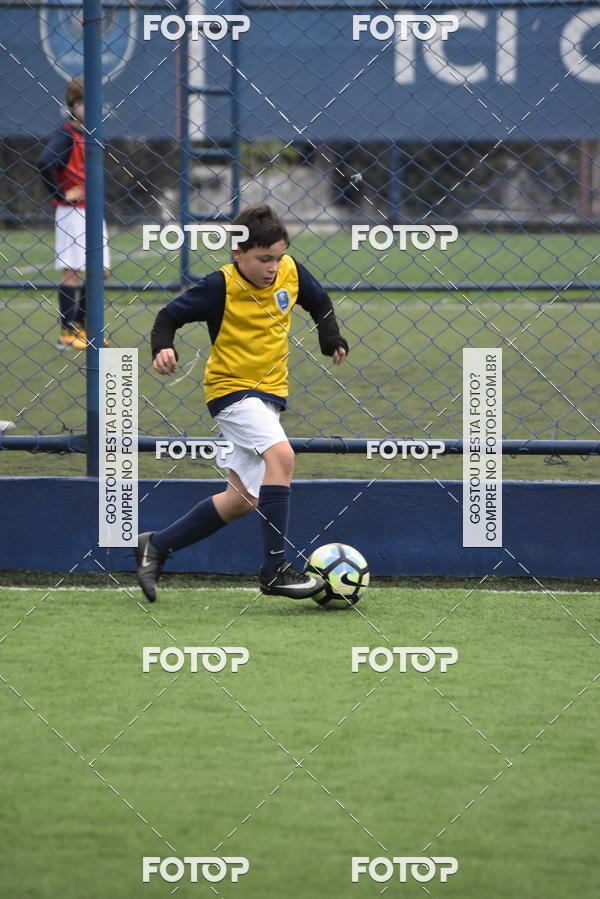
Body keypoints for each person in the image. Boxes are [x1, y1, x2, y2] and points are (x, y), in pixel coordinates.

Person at [136, 204, 349, 602]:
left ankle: (156, 545)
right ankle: (275, 571)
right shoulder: (220, 286)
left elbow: (320, 302)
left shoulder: (291, 272)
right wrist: (162, 347)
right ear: (238, 253)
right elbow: (168, 316)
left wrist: (330, 337)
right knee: (281, 457)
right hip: (231, 392)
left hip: (269, 398)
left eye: (278, 257)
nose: (273, 267)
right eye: (263, 258)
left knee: (242, 501)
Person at [38, 76, 110, 349]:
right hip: (72, 212)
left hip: (90, 211)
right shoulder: (68, 132)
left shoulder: (91, 133)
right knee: (72, 271)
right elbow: (45, 162)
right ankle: (67, 332)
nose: (89, 108)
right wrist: (60, 194)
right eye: (82, 103)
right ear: (73, 105)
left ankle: (81, 326)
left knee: (99, 270)